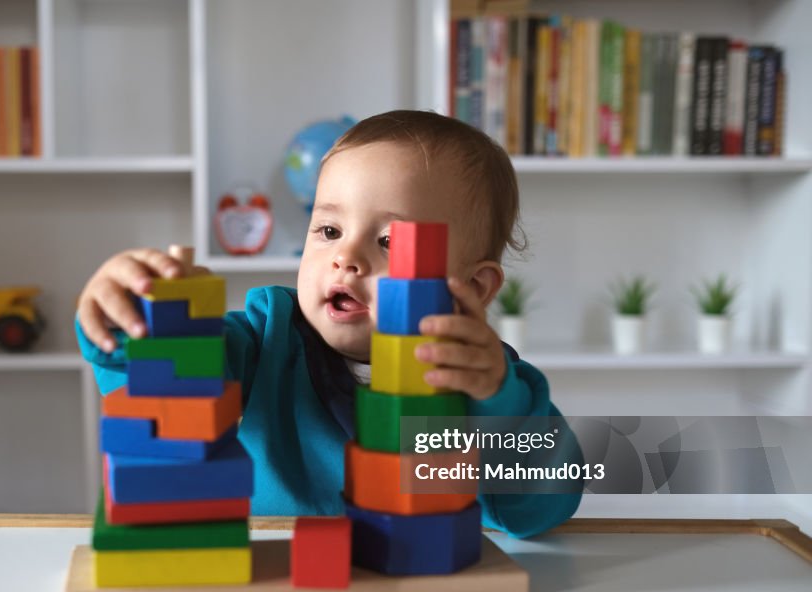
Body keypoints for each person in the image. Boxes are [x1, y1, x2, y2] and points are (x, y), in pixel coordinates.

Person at [75, 110, 582, 538]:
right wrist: (127, 319)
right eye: (329, 230)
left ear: (473, 288)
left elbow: (541, 508)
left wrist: (501, 404)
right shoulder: (262, 338)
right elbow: (166, 384)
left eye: (389, 242)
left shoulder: (482, 379)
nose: (346, 257)